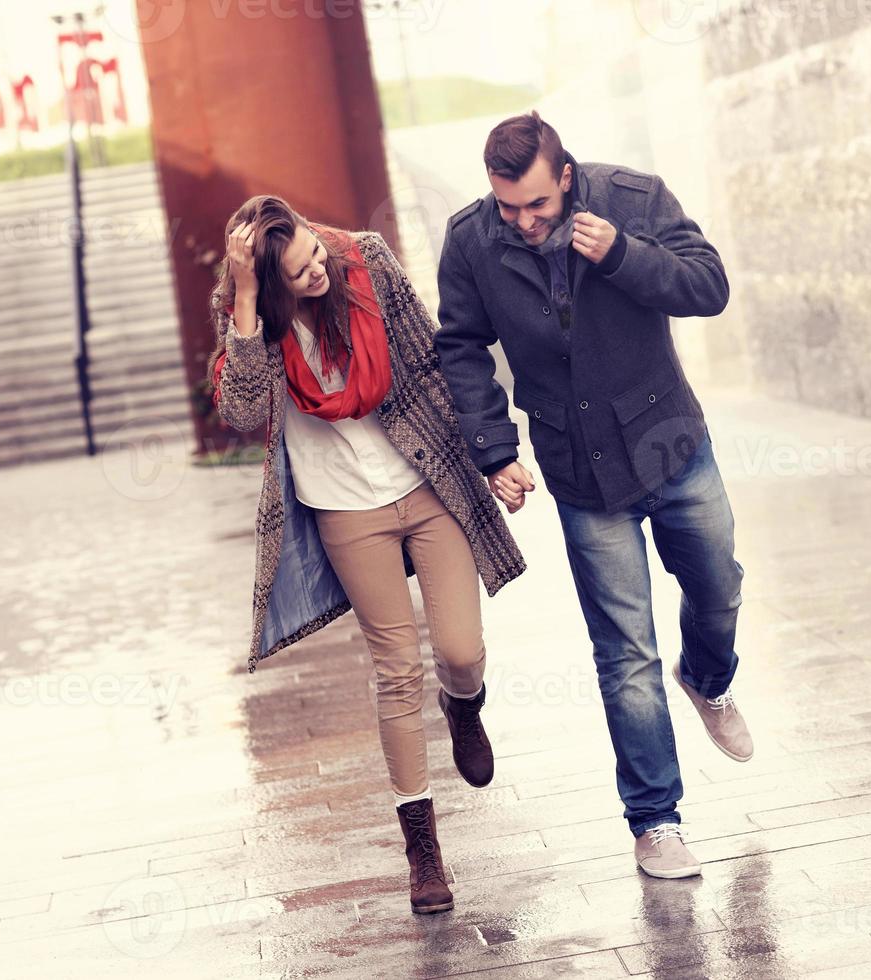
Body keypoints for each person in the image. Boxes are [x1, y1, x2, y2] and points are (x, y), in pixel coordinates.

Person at [433, 111, 752, 880]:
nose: (523, 221)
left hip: (671, 442)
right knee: (624, 652)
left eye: (537, 205)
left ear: (565, 175)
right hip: (579, 468)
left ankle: (707, 680)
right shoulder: (473, 240)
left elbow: (708, 287)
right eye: (508, 206)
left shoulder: (632, 199)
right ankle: (657, 821)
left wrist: (622, 255)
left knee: (718, 587)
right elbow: (461, 346)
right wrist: (494, 451)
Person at [208, 195, 526, 913]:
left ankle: (464, 701)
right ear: (266, 279)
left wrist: (491, 458)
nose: (317, 271)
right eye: (297, 271)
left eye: (316, 256)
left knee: (461, 648)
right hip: (346, 509)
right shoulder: (243, 310)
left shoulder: (366, 259)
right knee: (394, 672)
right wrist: (251, 302)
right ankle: (423, 849)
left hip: (425, 480)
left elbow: (436, 365)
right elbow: (244, 409)